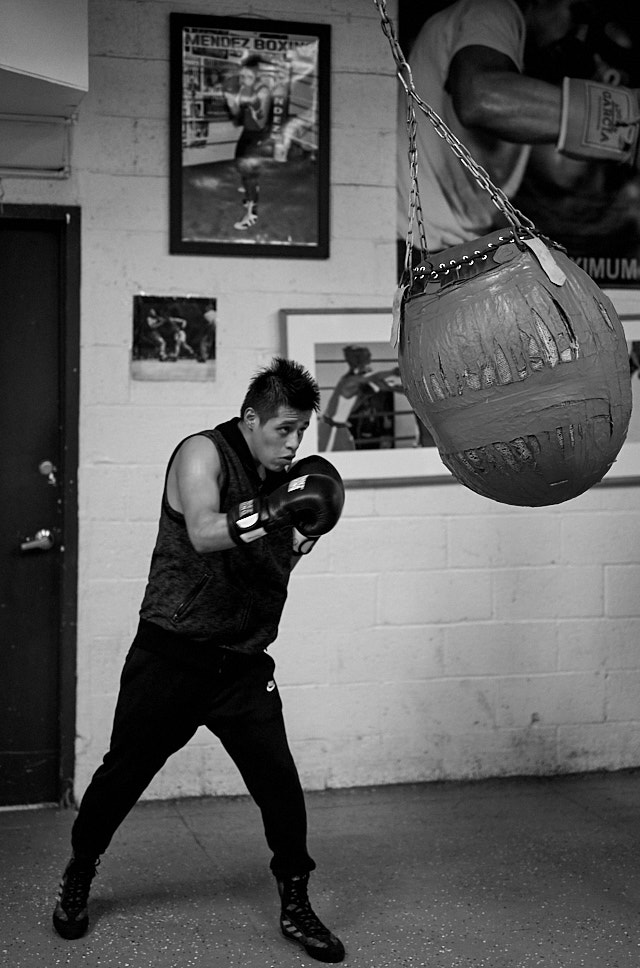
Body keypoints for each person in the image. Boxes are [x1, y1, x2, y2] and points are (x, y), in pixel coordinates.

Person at [52, 358, 347, 964]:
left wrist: (301, 538)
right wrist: (275, 513)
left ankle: (295, 902)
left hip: (240, 664)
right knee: (122, 777)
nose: (293, 445)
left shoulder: (286, 477)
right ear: (250, 419)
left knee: (281, 788)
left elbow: (268, 567)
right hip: (172, 655)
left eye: (300, 432)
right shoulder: (201, 454)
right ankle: (79, 874)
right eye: (283, 430)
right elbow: (207, 533)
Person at [396, 0, 640, 272]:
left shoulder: (520, 72)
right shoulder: (494, 9)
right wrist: (622, 117)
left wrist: (598, 94)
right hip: (415, 245)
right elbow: (480, 97)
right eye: (575, 13)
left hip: (449, 249)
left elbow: (562, 171)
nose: (579, 33)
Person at [318, 346, 405, 452]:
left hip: (341, 427)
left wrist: (405, 390)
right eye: (366, 362)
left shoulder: (361, 381)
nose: (368, 367)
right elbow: (373, 378)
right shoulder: (349, 381)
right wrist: (392, 372)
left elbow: (384, 386)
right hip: (331, 428)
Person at [224, 54, 273, 231]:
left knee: (248, 171)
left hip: (259, 135)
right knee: (240, 163)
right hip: (248, 132)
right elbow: (237, 119)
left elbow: (260, 122)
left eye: (249, 77)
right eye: (243, 76)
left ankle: (252, 214)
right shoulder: (245, 88)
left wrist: (254, 106)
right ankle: (251, 190)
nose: (245, 80)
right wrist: (232, 105)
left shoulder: (263, 92)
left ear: (257, 76)